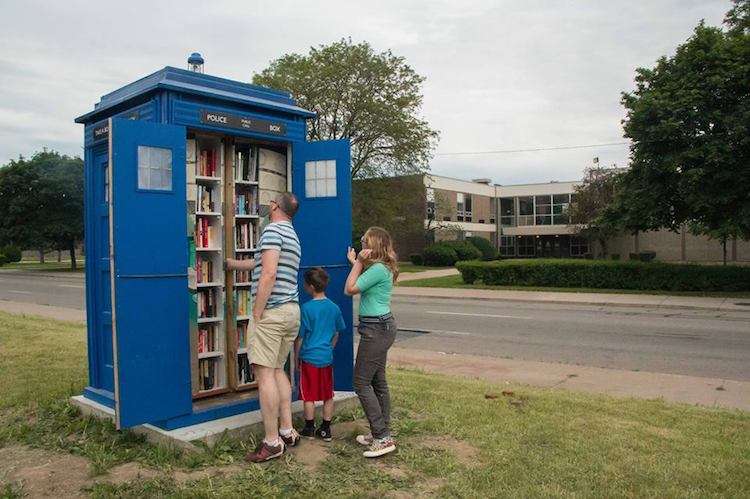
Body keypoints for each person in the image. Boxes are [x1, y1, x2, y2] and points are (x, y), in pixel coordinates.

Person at [226, 192, 301, 463]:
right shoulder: (292, 235)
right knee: (278, 369)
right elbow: (263, 263)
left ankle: (271, 442)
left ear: (274, 206)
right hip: (291, 311)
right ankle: (287, 430)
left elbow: (268, 274)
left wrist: (256, 312)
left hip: (272, 312)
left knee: (264, 374)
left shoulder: (271, 230)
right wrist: (232, 265)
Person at [344, 226, 399, 458]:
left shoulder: (377, 269)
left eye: (365, 240)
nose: (362, 242)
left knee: (361, 382)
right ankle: (382, 431)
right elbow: (364, 281)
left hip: (376, 328)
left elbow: (349, 289)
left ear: (373, 244)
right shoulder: (381, 268)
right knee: (378, 382)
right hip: (380, 326)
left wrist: (357, 263)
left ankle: (382, 437)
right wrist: (355, 263)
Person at [295, 267, 345, 441]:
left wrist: (296, 358)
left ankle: (309, 428)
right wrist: (329, 348)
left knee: (308, 395)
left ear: (310, 287)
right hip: (326, 357)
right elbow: (337, 333)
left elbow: (300, 337)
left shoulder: (305, 309)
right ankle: (326, 428)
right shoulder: (334, 308)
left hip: (309, 357)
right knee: (327, 394)